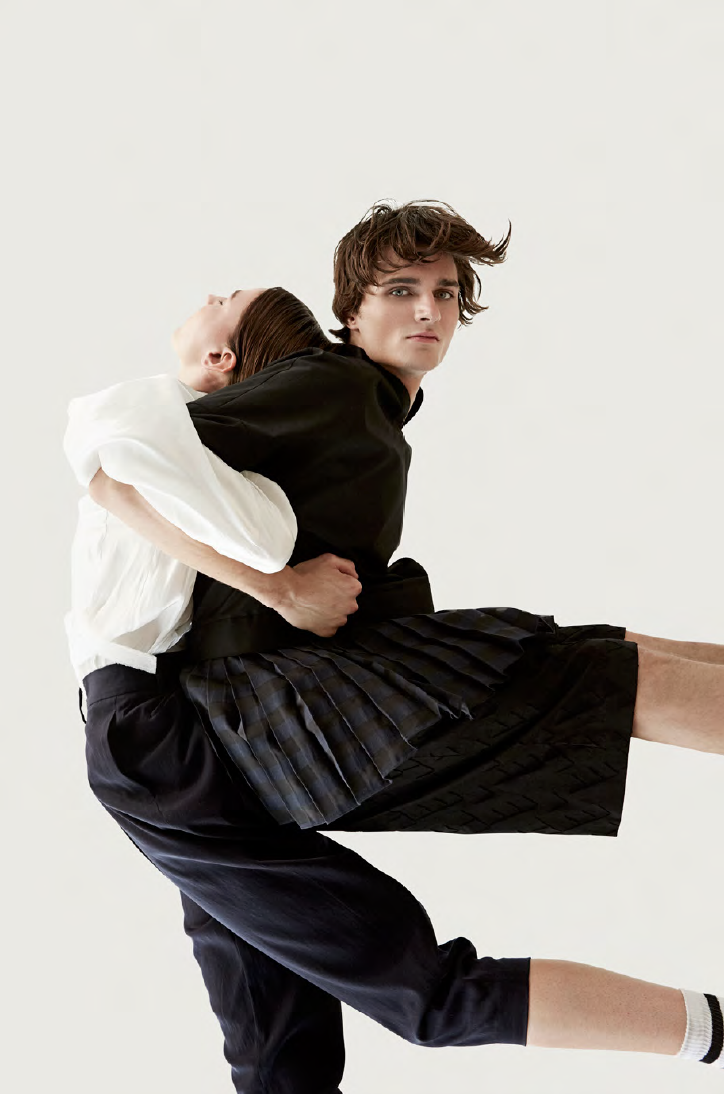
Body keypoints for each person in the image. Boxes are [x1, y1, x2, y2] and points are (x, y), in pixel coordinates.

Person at [75, 202, 724, 1091]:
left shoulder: (368, 411)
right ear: (349, 309)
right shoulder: (334, 387)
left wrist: (291, 587)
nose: (429, 310)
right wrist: (280, 588)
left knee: (279, 1053)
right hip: (196, 725)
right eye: (401, 290)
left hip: (199, 732)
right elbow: (118, 475)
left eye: (446, 294)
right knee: (417, 996)